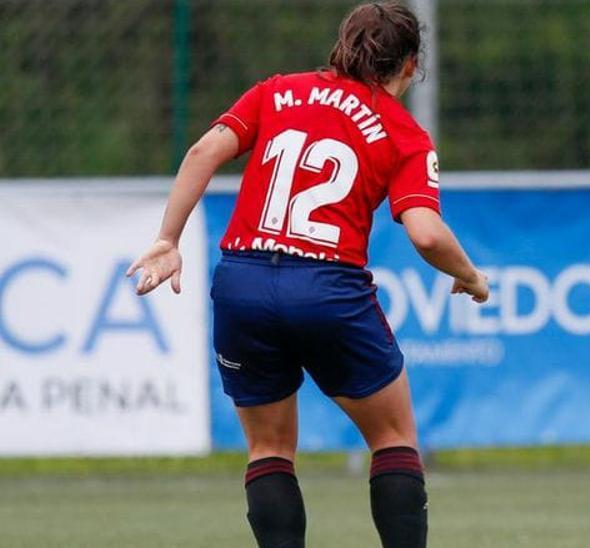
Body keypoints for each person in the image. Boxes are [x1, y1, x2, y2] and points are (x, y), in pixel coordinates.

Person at [126, 3, 488, 547]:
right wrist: (472, 277)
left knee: (269, 450)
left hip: (243, 280)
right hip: (327, 287)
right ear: (410, 66)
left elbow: (204, 150)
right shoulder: (404, 132)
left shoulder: (277, 92)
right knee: (392, 439)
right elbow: (426, 233)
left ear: (342, 45)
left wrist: (168, 239)